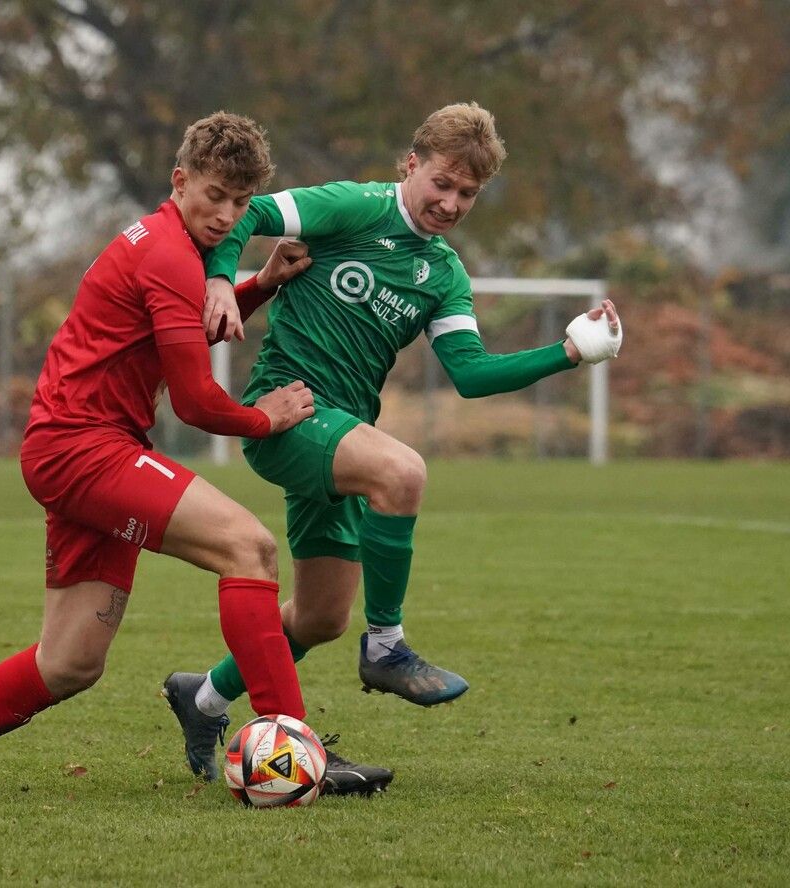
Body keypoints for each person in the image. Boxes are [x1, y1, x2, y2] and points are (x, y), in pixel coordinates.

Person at [0, 111, 318, 796]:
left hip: (75, 448)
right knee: (251, 548)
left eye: (241, 204)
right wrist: (264, 418)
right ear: (180, 182)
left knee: (70, 664)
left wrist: (259, 284)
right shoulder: (170, 256)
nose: (226, 215)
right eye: (214, 195)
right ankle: (294, 748)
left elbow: (177, 324)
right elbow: (197, 403)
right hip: (86, 449)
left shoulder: (161, 245)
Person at [162, 102, 623, 784]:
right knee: (402, 473)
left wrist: (566, 352)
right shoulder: (354, 207)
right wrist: (221, 282)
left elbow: (469, 373)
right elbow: (253, 213)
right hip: (289, 415)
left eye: (467, 193)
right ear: (412, 164)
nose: (451, 202)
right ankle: (387, 647)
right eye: (442, 182)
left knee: (318, 618)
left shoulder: (443, 273)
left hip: (343, 434)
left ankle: (201, 697)